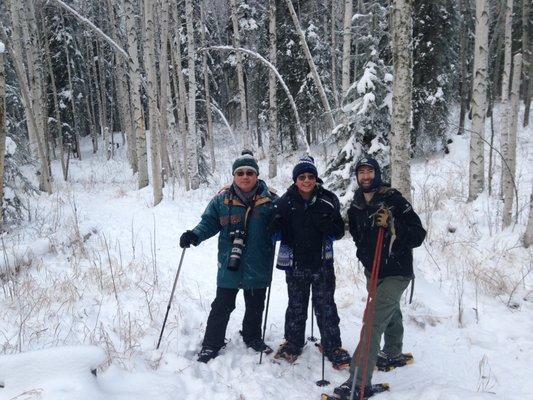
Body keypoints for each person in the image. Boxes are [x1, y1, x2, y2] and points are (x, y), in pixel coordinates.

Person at [333, 156, 426, 399]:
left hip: (396, 270)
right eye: (361, 172)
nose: (366, 176)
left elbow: (418, 234)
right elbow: (356, 233)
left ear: (377, 174)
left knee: (373, 319)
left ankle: (358, 382)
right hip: (372, 269)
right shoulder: (355, 203)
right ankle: (393, 352)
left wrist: (394, 224)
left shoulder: (393, 199)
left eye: (370, 172)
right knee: (389, 309)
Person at [179, 151, 277, 363]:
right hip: (229, 263)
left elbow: (286, 223)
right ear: (234, 176)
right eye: (240, 172)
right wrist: (194, 235)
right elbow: (208, 223)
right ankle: (211, 344)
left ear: (257, 175)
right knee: (222, 305)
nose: (245, 176)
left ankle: (252, 336)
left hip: (259, 263)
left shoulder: (270, 200)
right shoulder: (222, 200)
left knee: (255, 304)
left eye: (250, 172)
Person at [270, 155, 351, 368]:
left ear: (316, 178)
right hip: (295, 263)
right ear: (295, 179)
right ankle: (293, 343)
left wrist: (328, 228)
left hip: (322, 263)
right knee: (296, 305)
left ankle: (332, 345)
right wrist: (275, 226)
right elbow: (274, 233)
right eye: (302, 177)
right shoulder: (284, 202)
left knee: (325, 305)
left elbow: (339, 231)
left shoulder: (328, 199)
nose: (306, 180)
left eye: (310, 176)